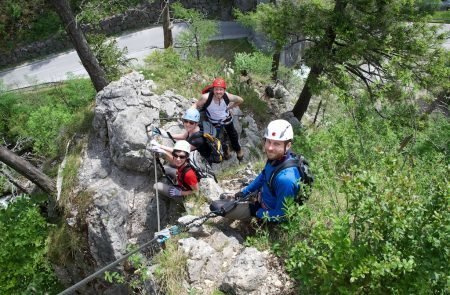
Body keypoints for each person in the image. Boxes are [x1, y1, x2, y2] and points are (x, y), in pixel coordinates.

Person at [221, 119, 301, 222]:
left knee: (217, 208)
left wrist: (257, 212)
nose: (270, 148)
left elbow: (282, 215)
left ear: (288, 146)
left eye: (277, 144)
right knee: (222, 203)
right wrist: (244, 192)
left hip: (265, 212)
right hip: (261, 197)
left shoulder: (286, 180)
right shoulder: (276, 159)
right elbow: (263, 176)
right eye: (268, 141)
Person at [192, 77, 244, 161]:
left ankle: (238, 149)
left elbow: (240, 100)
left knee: (233, 134)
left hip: (226, 118)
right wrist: (189, 114)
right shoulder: (206, 97)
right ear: (213, 89)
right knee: (216, 139)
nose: (218, 92)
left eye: (221, 89)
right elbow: (197, 105)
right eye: (216, 89)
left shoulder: (227, 96)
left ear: (224, 90)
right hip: (213, 121)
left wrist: (230, 107)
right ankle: (225, 150)